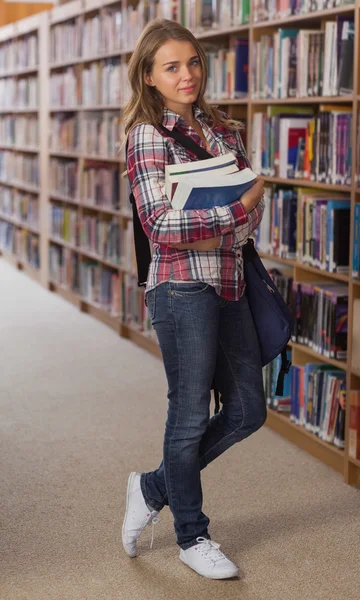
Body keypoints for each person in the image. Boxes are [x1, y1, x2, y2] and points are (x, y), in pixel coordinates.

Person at [122, 18, 266, 580]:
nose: (187, 75)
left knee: (250, 410)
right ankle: (192, 535)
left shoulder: (225, 130)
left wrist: (221, 224)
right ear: (150, 77)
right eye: (172, 67)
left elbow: (251, 220)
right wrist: (233, 212)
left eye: (194, 63)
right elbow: (161, 226)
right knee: (188, 416)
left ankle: (152, 485)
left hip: (230, 280)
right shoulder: (146, 136)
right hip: (180, 287)